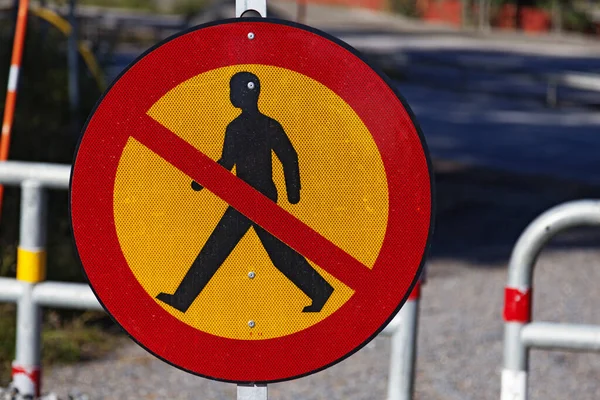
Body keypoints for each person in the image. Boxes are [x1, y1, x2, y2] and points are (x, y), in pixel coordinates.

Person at [156, 72, 334, 313]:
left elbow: (288, 156)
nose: (232, 95)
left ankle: (182, 299)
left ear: (242, 94)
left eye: (234, 90)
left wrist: (294, 191)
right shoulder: (247, 126)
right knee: (270, 252)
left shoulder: (253, 126)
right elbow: (229, 162)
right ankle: (320, 290)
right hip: (244, 197)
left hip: (256, 198)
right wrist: (204, 181)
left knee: (219, 249)